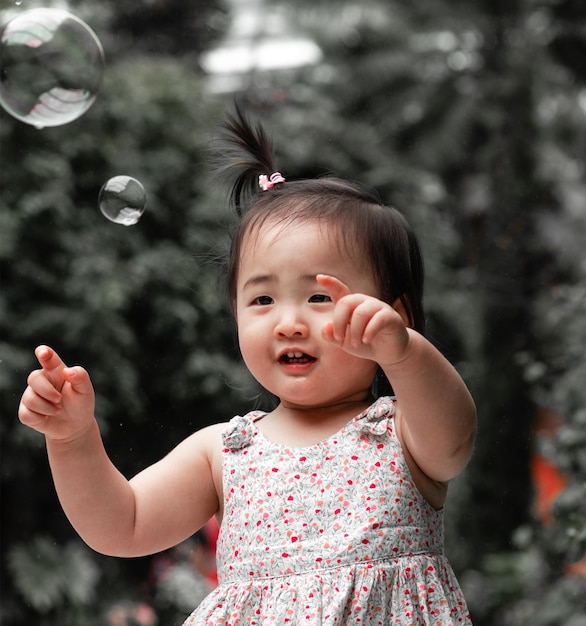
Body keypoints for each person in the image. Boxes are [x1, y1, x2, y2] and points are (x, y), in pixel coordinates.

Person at [18, 106, 477, 625]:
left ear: (394, 316)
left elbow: (455, 439)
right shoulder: (223, 451)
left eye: (320, 297)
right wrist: (73, 439)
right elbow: (122, 524)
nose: (288, 323)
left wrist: (406, 352)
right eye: (262, 301)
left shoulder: (402, 431)